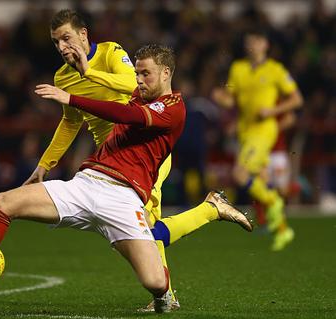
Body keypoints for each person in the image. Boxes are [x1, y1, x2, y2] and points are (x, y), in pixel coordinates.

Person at [0, 44, 250, 314]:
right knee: (2, 202)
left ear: (166, 73)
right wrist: (84, 72)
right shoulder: (137, 92)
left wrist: (72, 97)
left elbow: (127, 114)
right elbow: (115, 93)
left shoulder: (174, 108)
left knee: (155, 281)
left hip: (124, 198)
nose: (139, 80)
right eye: (137, 72)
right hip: (85, 184)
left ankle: (171, 283)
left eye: (145, 74)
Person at [24, 9, 252, 311]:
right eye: (56, 42)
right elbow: (70, 123)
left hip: (144, 155)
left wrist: (89, 73)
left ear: (83, 35)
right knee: (149, 228)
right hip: (110, 161)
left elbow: (129, 86)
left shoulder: (110, 53)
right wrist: (44, 165)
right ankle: (199, 230)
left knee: (146, 229)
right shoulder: (62, 77)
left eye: (67, 38)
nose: (63, 46)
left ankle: (204, 220)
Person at [212, 29, 303, 251]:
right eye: (248, 42)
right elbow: (231, 101)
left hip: (264, 130)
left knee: (239, 174)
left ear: (265, 45)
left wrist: (273, 111)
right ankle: (282, 230)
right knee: (261, 176)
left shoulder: (276, 70)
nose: (251, 45)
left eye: (255, 41)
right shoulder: (238, 69)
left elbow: (296, 100)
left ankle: (273, 201)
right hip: (245, 131)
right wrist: (220, 98)